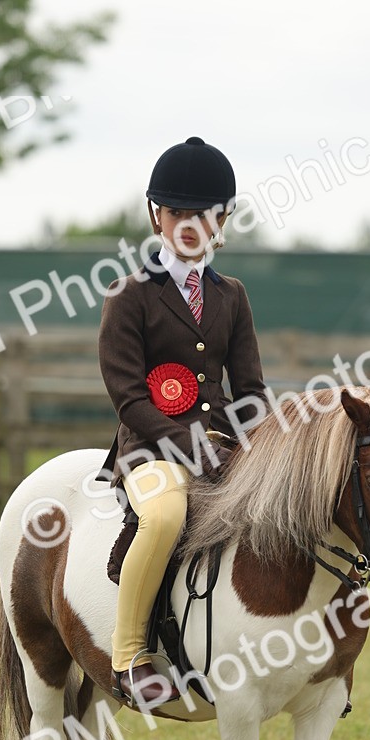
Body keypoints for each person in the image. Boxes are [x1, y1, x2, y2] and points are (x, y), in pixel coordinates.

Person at [98, 136, 267, 707]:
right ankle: (129, 657)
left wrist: (257, 447)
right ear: (156, 216)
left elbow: (250, 390)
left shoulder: (233, 296)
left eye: (205, 215)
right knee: (167, 514)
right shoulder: (129, 297)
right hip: (149, 449)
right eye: (178, 214)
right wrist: (190, 447)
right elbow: (128, 397)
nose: (189, 226)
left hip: (224, 445)